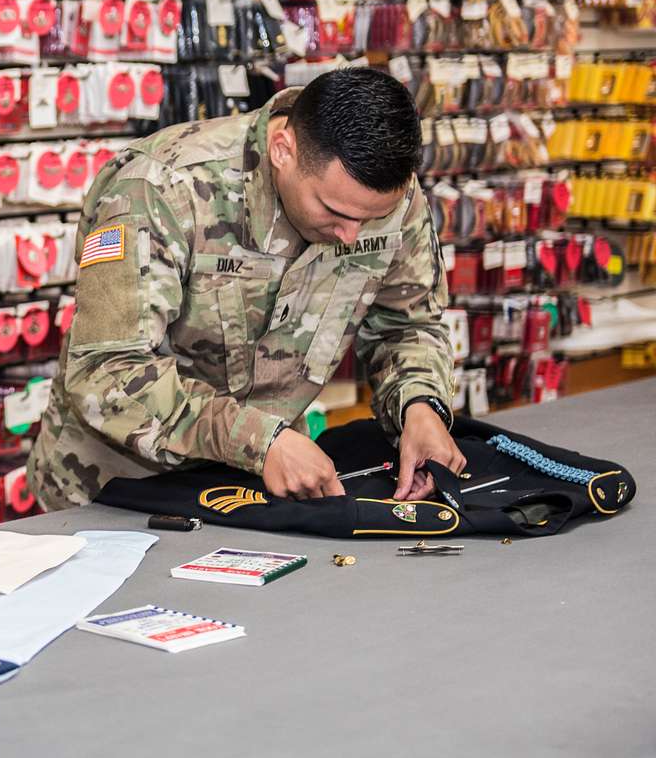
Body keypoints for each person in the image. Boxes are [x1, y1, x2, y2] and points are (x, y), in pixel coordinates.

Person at [31, 67, 465, 509]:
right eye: (333, 211)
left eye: (369, 220)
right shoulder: (161, 189)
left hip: (261, 487)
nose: (351, 235)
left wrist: (420, 406)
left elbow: (407, 326)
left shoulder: (383, 196)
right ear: (283, 150)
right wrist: (259, 441)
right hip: (117, 489)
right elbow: (106, 370)